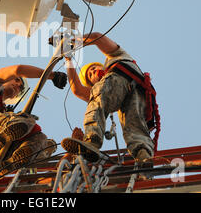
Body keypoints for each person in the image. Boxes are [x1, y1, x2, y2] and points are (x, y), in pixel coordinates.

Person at [61, 32, 160, 166]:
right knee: (131, 125)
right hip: (137, 91)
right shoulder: (101, 88)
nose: (93, 72)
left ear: (100, 65)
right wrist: (68, 60)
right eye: (90, 75)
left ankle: (93, 141)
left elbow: (96, 37)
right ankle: (143, 155)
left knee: (130, 122)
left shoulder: (115, 57)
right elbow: (77, 90)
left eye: (93, 68)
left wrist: (73, 42)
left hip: (128, 83)